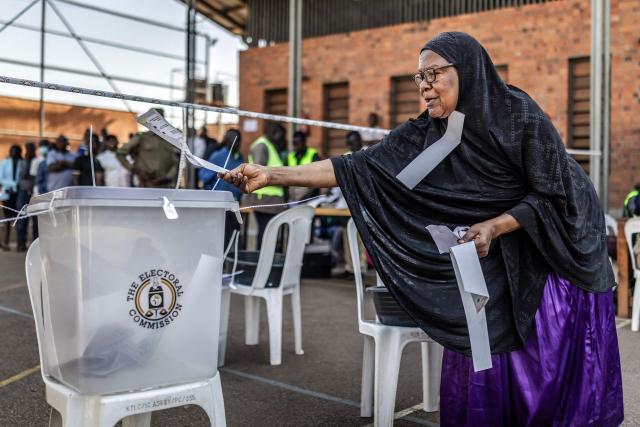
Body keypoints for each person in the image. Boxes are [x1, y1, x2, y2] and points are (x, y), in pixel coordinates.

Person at [221, 32, 623, 426]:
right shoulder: (429, 131)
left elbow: (556, 194)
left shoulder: (517, 115)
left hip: (557, 251)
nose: (425, 88)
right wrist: (272, 172)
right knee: (481, 339)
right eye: (420, 78)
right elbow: (357, 166)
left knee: (544, 370)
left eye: (434, 75)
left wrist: (496, 226)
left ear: (466, 71)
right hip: (500, 252)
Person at [242, 122, 287, 249]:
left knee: (270, 235)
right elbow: (258, 173)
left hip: (271, 201)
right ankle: (262, 264)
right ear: (273, 133)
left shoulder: (270, 146)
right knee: (266, 235)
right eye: (280, 135)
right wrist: (281, 179)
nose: (281, 138)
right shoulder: (261, 146)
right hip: (264, 200)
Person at [116, 109, 178, 188]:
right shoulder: (142, 137)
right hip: (146, 184)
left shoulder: (170, 139)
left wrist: (168, 177)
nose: (157, 122)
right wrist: (134, 170)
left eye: (160, 119)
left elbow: (177, 162)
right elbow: (120, 153)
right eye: (154, 119)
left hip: (166, 185)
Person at [199, 129, 243, 198]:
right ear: (227, 141)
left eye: (239, 141)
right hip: (218, 199)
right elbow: (204, 176)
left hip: (234, 199)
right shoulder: (218, 156)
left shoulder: (240, 157)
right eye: (234, 141)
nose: (237, 144)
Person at [287, 131, 321, 202]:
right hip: (294, 198)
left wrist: (309, 196)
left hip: (309, 198)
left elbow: (318, 176)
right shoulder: (290, 156)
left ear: (304, 142)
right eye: (294, 144)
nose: (295, 146)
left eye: (297, 144)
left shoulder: (313, 155)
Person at [0, 145, 23, 251]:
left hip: (18, 194)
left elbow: (23, 177)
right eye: (12, 151)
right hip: (7, 193)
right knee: (7, 219)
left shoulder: (22, 163)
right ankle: (5, 242)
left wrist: (16, 186)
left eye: (16, 151)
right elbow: (1, 178)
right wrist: (12, 185)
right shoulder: (5, 162)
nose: (14, 153)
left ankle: (20, 242)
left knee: (18, 219)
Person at [15, 142, 37, 251]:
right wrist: (28, 161)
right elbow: (23, 175)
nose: (30, 150)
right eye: (28, 148)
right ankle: (21, 242)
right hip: (23, 191)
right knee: (22, 218)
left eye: (31, 148)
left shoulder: (37, 161)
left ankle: (35, 243)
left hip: (34, 193)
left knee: (36, 218)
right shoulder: (22, 162)